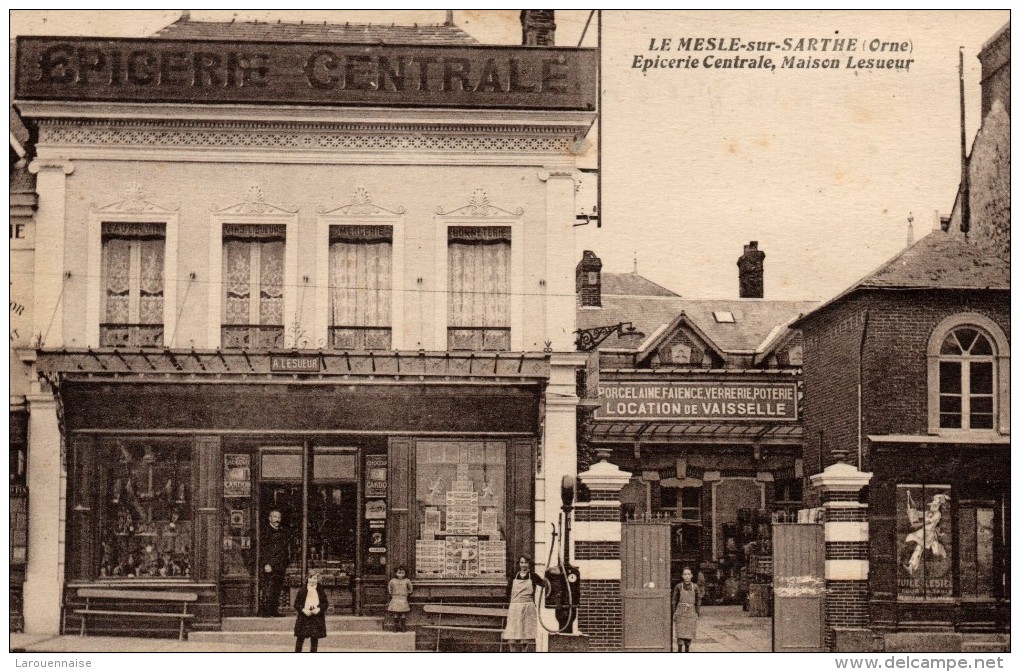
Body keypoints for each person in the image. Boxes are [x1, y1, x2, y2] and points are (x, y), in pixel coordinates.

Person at [503, 556, 548, 653]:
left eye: (526, 563)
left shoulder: (533, 576)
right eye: (522, 562)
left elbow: (545, 585)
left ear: (529, 564)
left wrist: (548, 575)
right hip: (515, 608)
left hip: (528, 608)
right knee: (512, 634)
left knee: (526, 635)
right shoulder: (514, 576)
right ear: (519, 564)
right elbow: (508, 592)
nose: (523, 565)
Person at [260, 509, 290, 617]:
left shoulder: (281, 531)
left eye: (279, 517)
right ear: (270, 518)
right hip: (270, 565)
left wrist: (286, 562)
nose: (277, 519)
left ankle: (274, 611)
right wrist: (266, 564)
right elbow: (262, 550)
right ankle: (266, 612)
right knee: (268, 588)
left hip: (280, 565)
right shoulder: (265, 532)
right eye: (274, 517)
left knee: (277, 588)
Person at [293, 571, 328, 652]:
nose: (312, 580)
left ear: (317, 579)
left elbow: (325, 603)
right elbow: (296, 604)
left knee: (314, 639)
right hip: (304, 617)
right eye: (310, 578)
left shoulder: (320, 591)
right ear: (307, 579)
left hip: (316, 617)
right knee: (300, 638)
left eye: (315, 578)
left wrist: (319, 609)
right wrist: (303, 610)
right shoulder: (302, 590)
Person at [672, 567, 701, 652]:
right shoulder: (678, 586)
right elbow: (674, 600)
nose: (687, 576)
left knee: (689, 632)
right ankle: (679, 650)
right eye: (685, 574)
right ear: (682, 576)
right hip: (680, 612)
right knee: (680, 633)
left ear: (691, 575)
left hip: (691, 612)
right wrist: (674, 612)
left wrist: (697, 612)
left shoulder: (695, 587)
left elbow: (698, 600)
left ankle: (687, 650)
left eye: (688, 574)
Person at [387, 566, 413, 632]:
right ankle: (396, 627)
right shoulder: (392, 581)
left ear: (405, 573)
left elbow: (411, 588)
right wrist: (392, 594)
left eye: (402, 573)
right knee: (395, 614)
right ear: (396, 573)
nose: (401, 574)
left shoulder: (407, 580)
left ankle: (403, 627)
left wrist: (406, 593)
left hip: (403, 599)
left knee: (403, 613)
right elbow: (390, 589)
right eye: (399, 573)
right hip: (395, 598)